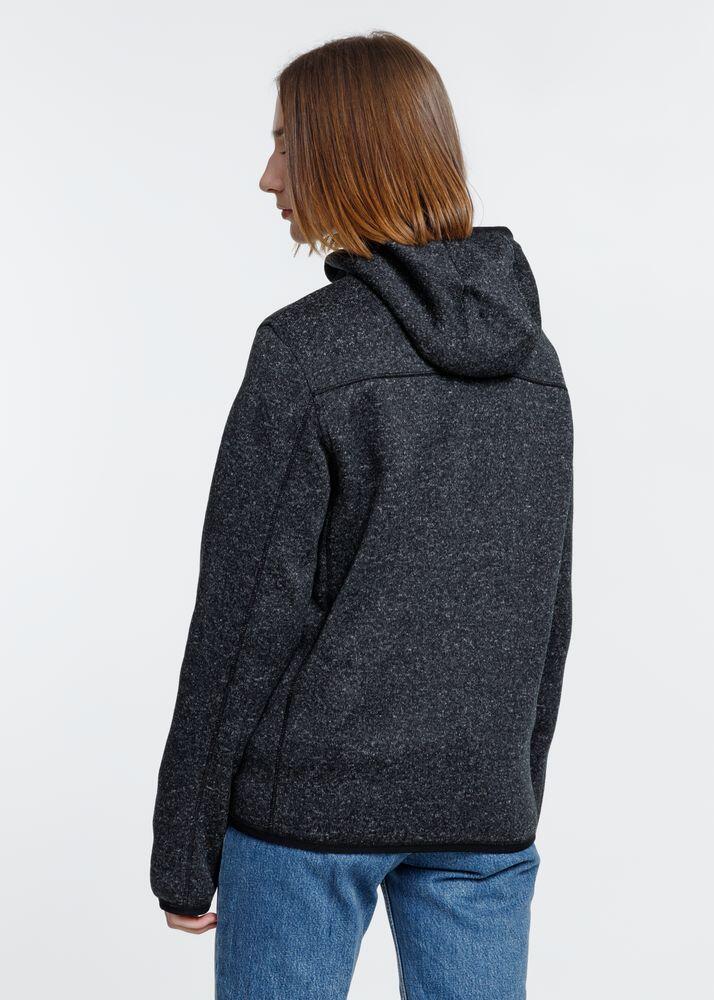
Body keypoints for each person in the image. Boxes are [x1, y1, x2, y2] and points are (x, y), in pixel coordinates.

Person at [150, 30, 574, 1000]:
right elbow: (546, 612)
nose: (268, 176)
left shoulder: (305, 352)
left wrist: (183, 848)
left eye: (284, 144)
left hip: (309, 810)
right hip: (481, 807)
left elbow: (243, 618)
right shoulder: (536, 363)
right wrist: (509, 794)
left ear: (344, 152)